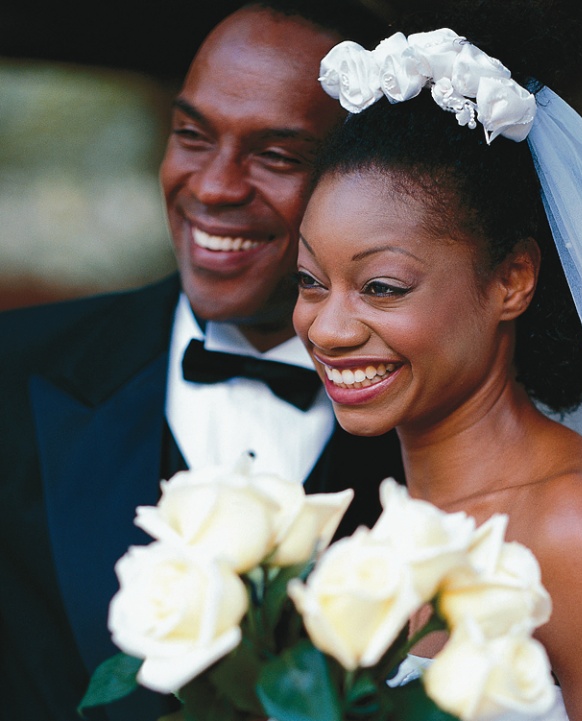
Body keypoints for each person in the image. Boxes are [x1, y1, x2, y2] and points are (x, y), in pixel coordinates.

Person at [292, 1, 582, 717]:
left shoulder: (581, 536)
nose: (328, 328)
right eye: (309, 281)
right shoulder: (373, 519)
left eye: (382, 287)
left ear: (512, 279)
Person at [0, 3, 405, 720]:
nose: (214, 187)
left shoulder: (458, 429)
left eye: (277, 155)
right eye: (192, 136)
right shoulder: (15, 371)